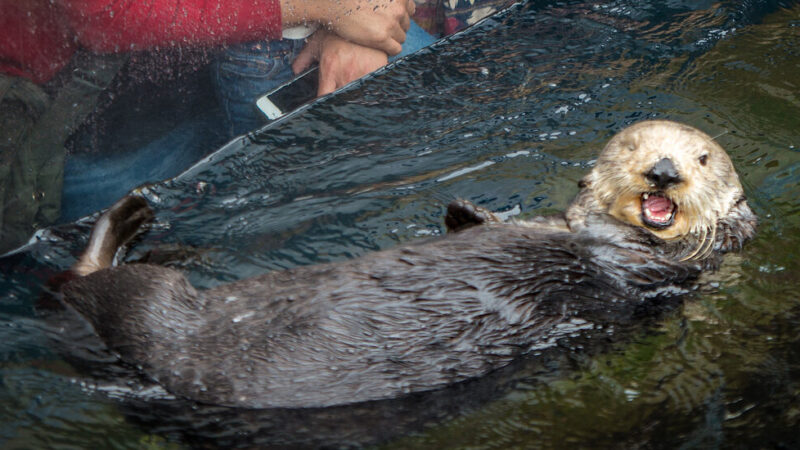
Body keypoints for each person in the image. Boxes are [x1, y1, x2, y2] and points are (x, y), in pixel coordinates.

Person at [0, 0, 416, 253]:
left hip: (226, 65)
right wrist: (328, 11)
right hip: (76, 116)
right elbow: (110, 16)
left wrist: (353, 25)